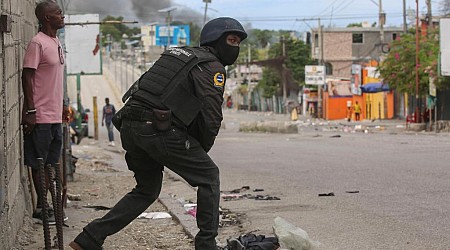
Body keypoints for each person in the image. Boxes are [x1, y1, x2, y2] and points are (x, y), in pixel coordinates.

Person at [69, 17, 247, 250]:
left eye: (238, 42)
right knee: (209, 176)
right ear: (215, 39)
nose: (236, 47)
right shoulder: (213, 67)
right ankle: (206, 245)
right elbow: (211, 117)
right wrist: (199, 151)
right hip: (157, 128)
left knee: (147, 190)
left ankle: (89, 238)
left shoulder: (178, 55)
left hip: (130, 125)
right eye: (231, 40)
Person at [22, 0, 67, 224]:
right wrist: (30, 110)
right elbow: (27, 76)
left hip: (55, 115)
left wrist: (63, 106)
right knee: (38, 163)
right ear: (47, 18)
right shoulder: (37, 43)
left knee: (50, 162)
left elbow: (54, 80)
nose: (62, 16)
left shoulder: (55, 41)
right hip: (39, 116)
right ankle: (42, 207)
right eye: (58, 13)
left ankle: (50, 205)